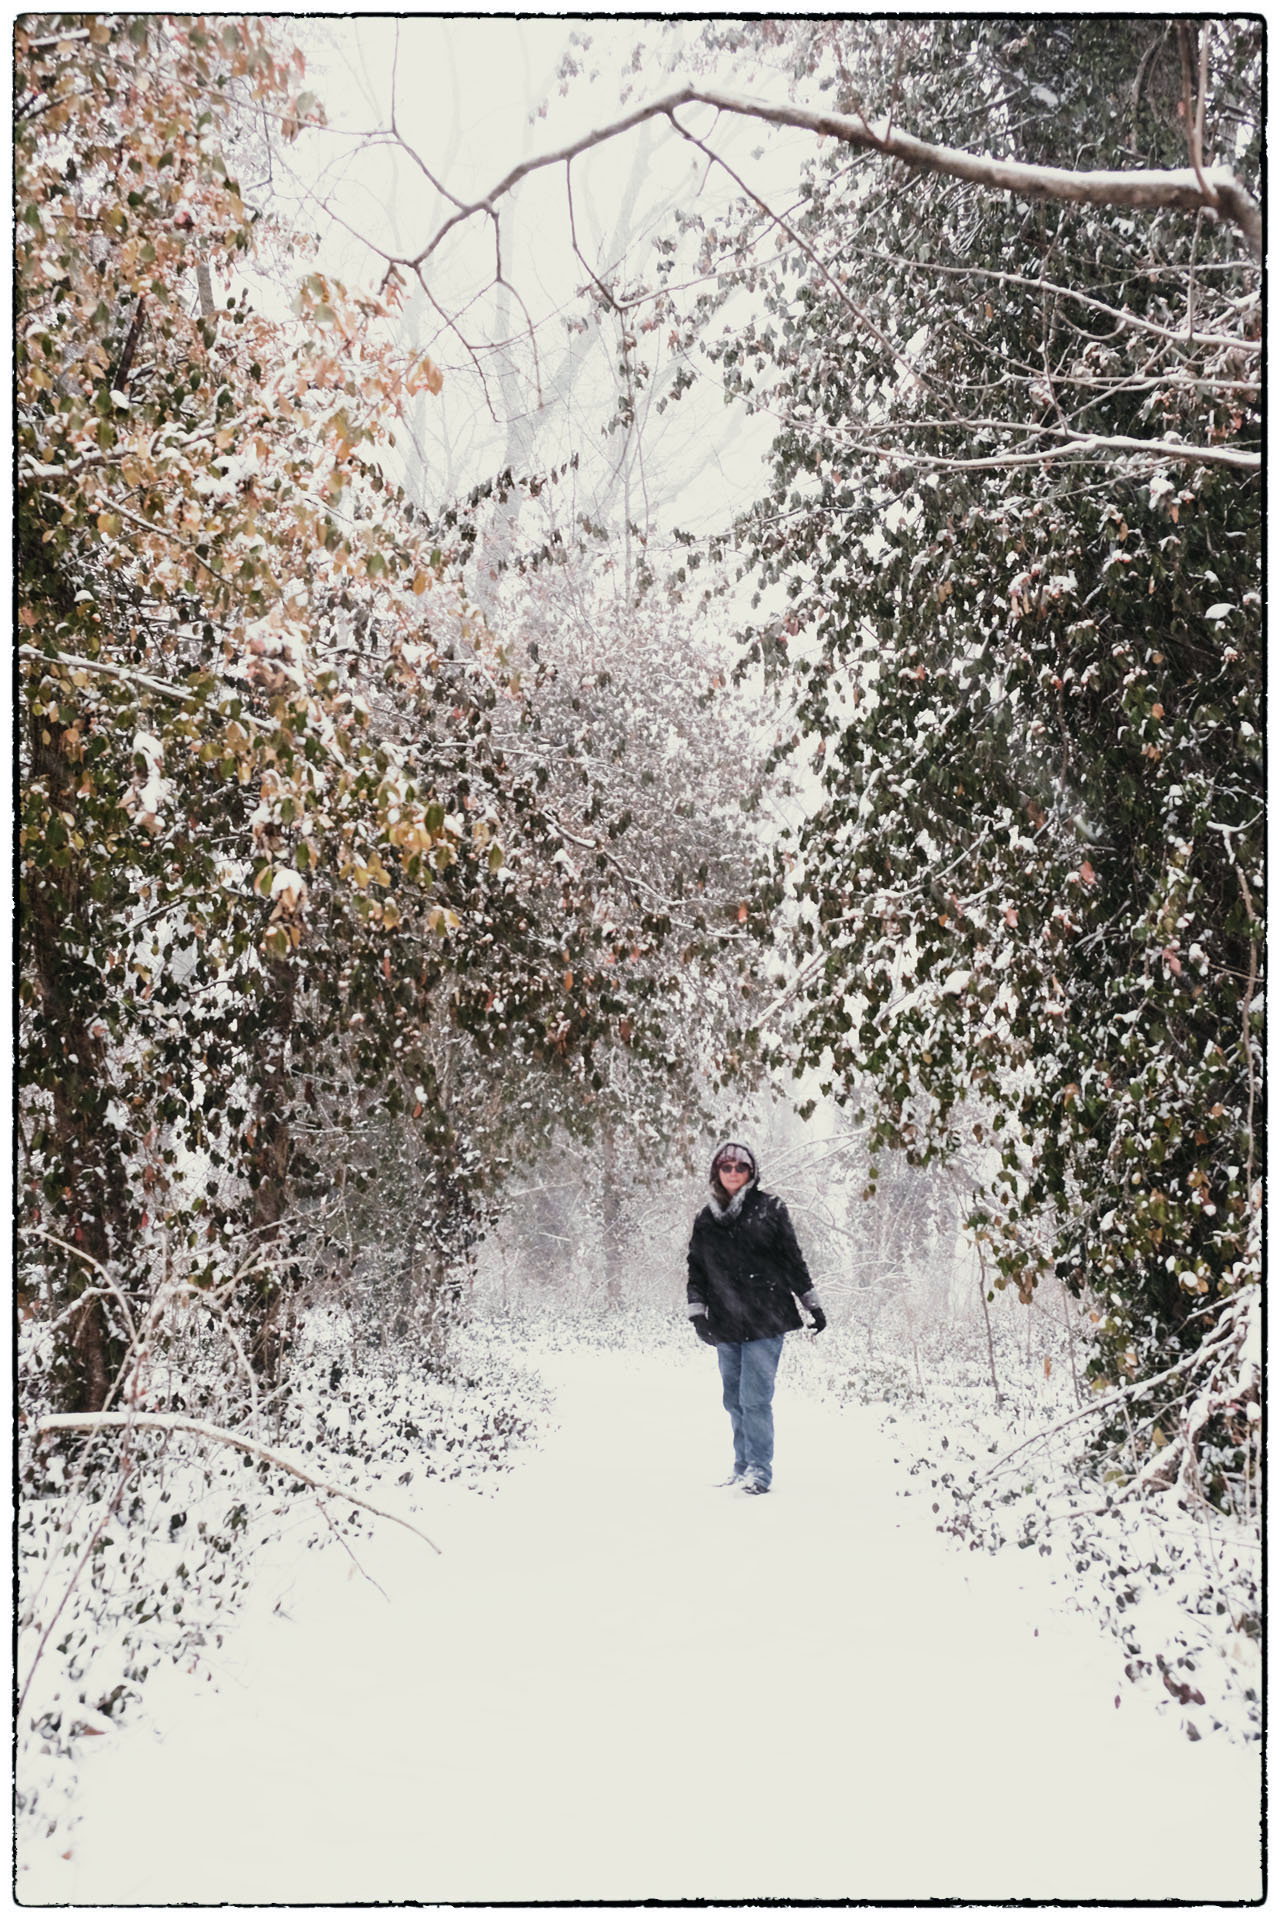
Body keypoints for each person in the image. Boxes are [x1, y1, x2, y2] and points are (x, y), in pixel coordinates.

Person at [686, 1140, 825, 1494]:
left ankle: (760, 1472)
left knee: (754, 1399)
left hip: (767, 1318)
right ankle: (741, 1465)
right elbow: (697, 1269)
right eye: (726, 1167)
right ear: (716, 1171)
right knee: (732, 1398)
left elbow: (792, 1259)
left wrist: (812, 1305)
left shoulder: (770, 1209)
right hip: (725, 1320)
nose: (733, 1173)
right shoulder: (706, 1218)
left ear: (751, 1172)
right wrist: (697, 1313)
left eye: (740, 1167)